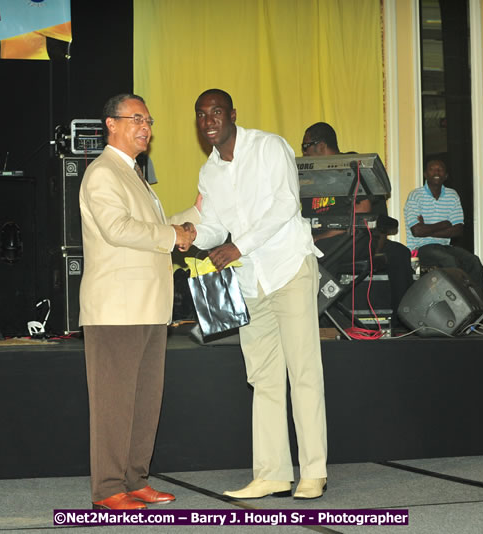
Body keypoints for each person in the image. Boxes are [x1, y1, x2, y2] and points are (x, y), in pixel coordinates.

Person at [192, 89, 328, 500]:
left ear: (233, 114)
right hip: (251, 281)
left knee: (303, 371)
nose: (209, 120)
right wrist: (187, 233)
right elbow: (214, 226)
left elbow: (287, 203)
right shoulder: (209, 173)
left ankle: (313, 472)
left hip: (289, 268)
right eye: (201, 115)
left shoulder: (269, 147)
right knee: (264, 378)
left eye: (216, 112)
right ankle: (272, 473)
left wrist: (239, 245)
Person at [78, 93, 199, 510]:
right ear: (110, 124)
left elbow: (152, 229)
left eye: (149, 120)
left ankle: (136, 479)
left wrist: (189, 222)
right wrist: (172, 236)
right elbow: (117, 228)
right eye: (136, 119)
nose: (145, 127)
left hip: (148, 306)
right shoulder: (102, 173)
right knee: (114, 403)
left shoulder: (134, 174)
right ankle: (108, 488)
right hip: (117, 308)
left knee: (145, 401)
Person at [301, 122, 414, 327]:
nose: (305, 152)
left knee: (399, 254)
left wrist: (322, 236)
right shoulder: (309, 180)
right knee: (302, 254)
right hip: (329, 241)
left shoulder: (352, 166)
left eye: (306, 146)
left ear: (320, 145)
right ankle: (322, 324)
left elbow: (361, 213)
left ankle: (404, 325)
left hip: (361, 239)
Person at [404, 159, 483, 300]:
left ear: (446, 176)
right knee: (449, 261)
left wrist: (427, 229)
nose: (436, 172)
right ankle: (461, 303)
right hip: (420, 248)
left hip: (444, 246)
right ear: (425, 174)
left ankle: (482, 306)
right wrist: (444, 224)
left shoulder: (452, 195)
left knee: (474, 262)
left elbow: (458, 230)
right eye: (432, 169)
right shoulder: (415, 196)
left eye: (440, 169)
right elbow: (417, 232)